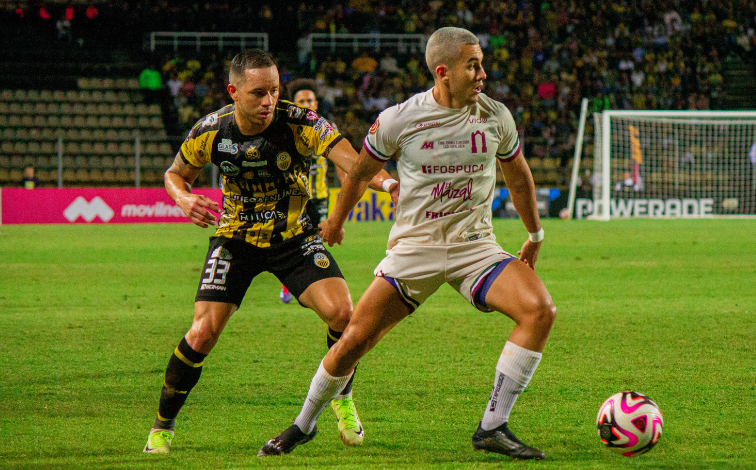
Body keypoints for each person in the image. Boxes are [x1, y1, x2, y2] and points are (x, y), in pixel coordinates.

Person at [259, 27, 556, 460]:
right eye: (472, 65)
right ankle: (304, 424)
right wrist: (336, 223)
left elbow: (519, 177)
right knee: (354, 340)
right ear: (443, 71)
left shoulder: (496, 116)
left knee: (539, 311)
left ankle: (492, 425)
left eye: (481, 64)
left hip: (475, 247)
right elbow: (360, 173)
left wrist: (534, 235)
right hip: (416, 248)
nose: (482, 74)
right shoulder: (401, 118)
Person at [143, 49, 399, 455]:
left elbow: (354, 163)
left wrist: (389, 187)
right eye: (258, 92)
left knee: (343, 314)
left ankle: (342, 398)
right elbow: (175, 174)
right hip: (235, 237)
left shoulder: (301, 122)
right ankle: (162, 426)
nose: (269, 101)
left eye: (275, 90)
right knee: (203, 332)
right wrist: (182, 198)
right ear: (233, 92)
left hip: (294, 236)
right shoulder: (211, 130)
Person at [278, 79, 343, 304]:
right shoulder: (285, 127)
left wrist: (346, 188)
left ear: (316, 103)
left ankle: (309, 284)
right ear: (293, 104)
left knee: (317, 241)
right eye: (301, 101)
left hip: (321, 195)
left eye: (310, 100)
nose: (306, 104)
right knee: (294, 241)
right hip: (294, 197)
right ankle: (292, 282)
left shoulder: (328, 128)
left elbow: (341, 164)